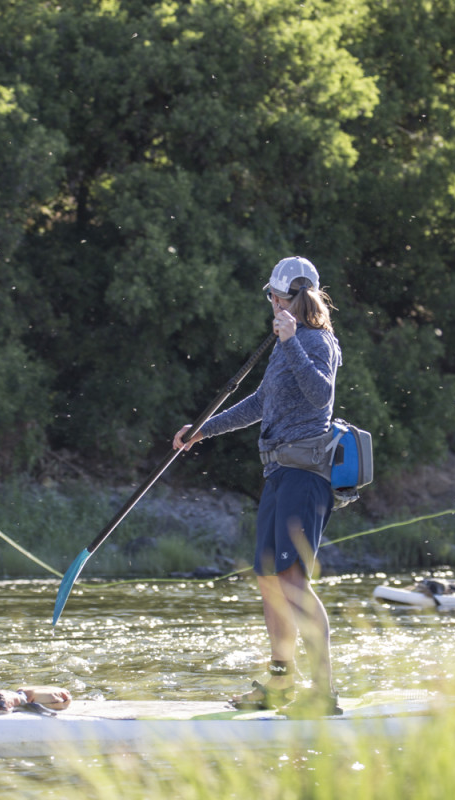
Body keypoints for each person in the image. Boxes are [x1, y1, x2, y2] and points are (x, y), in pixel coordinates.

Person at [172, 256, 342, 716]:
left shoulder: (317, 341)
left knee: (292, 581)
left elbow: (320, 394)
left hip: (306, 476)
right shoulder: (286, 345)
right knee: (270, 580)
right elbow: (261, 404)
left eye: (274, 295)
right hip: (278, 473)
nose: (270, 302)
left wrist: (289, 342)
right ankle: (281, 682)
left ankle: (324, 694)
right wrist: (204, 429)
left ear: (291, 297)